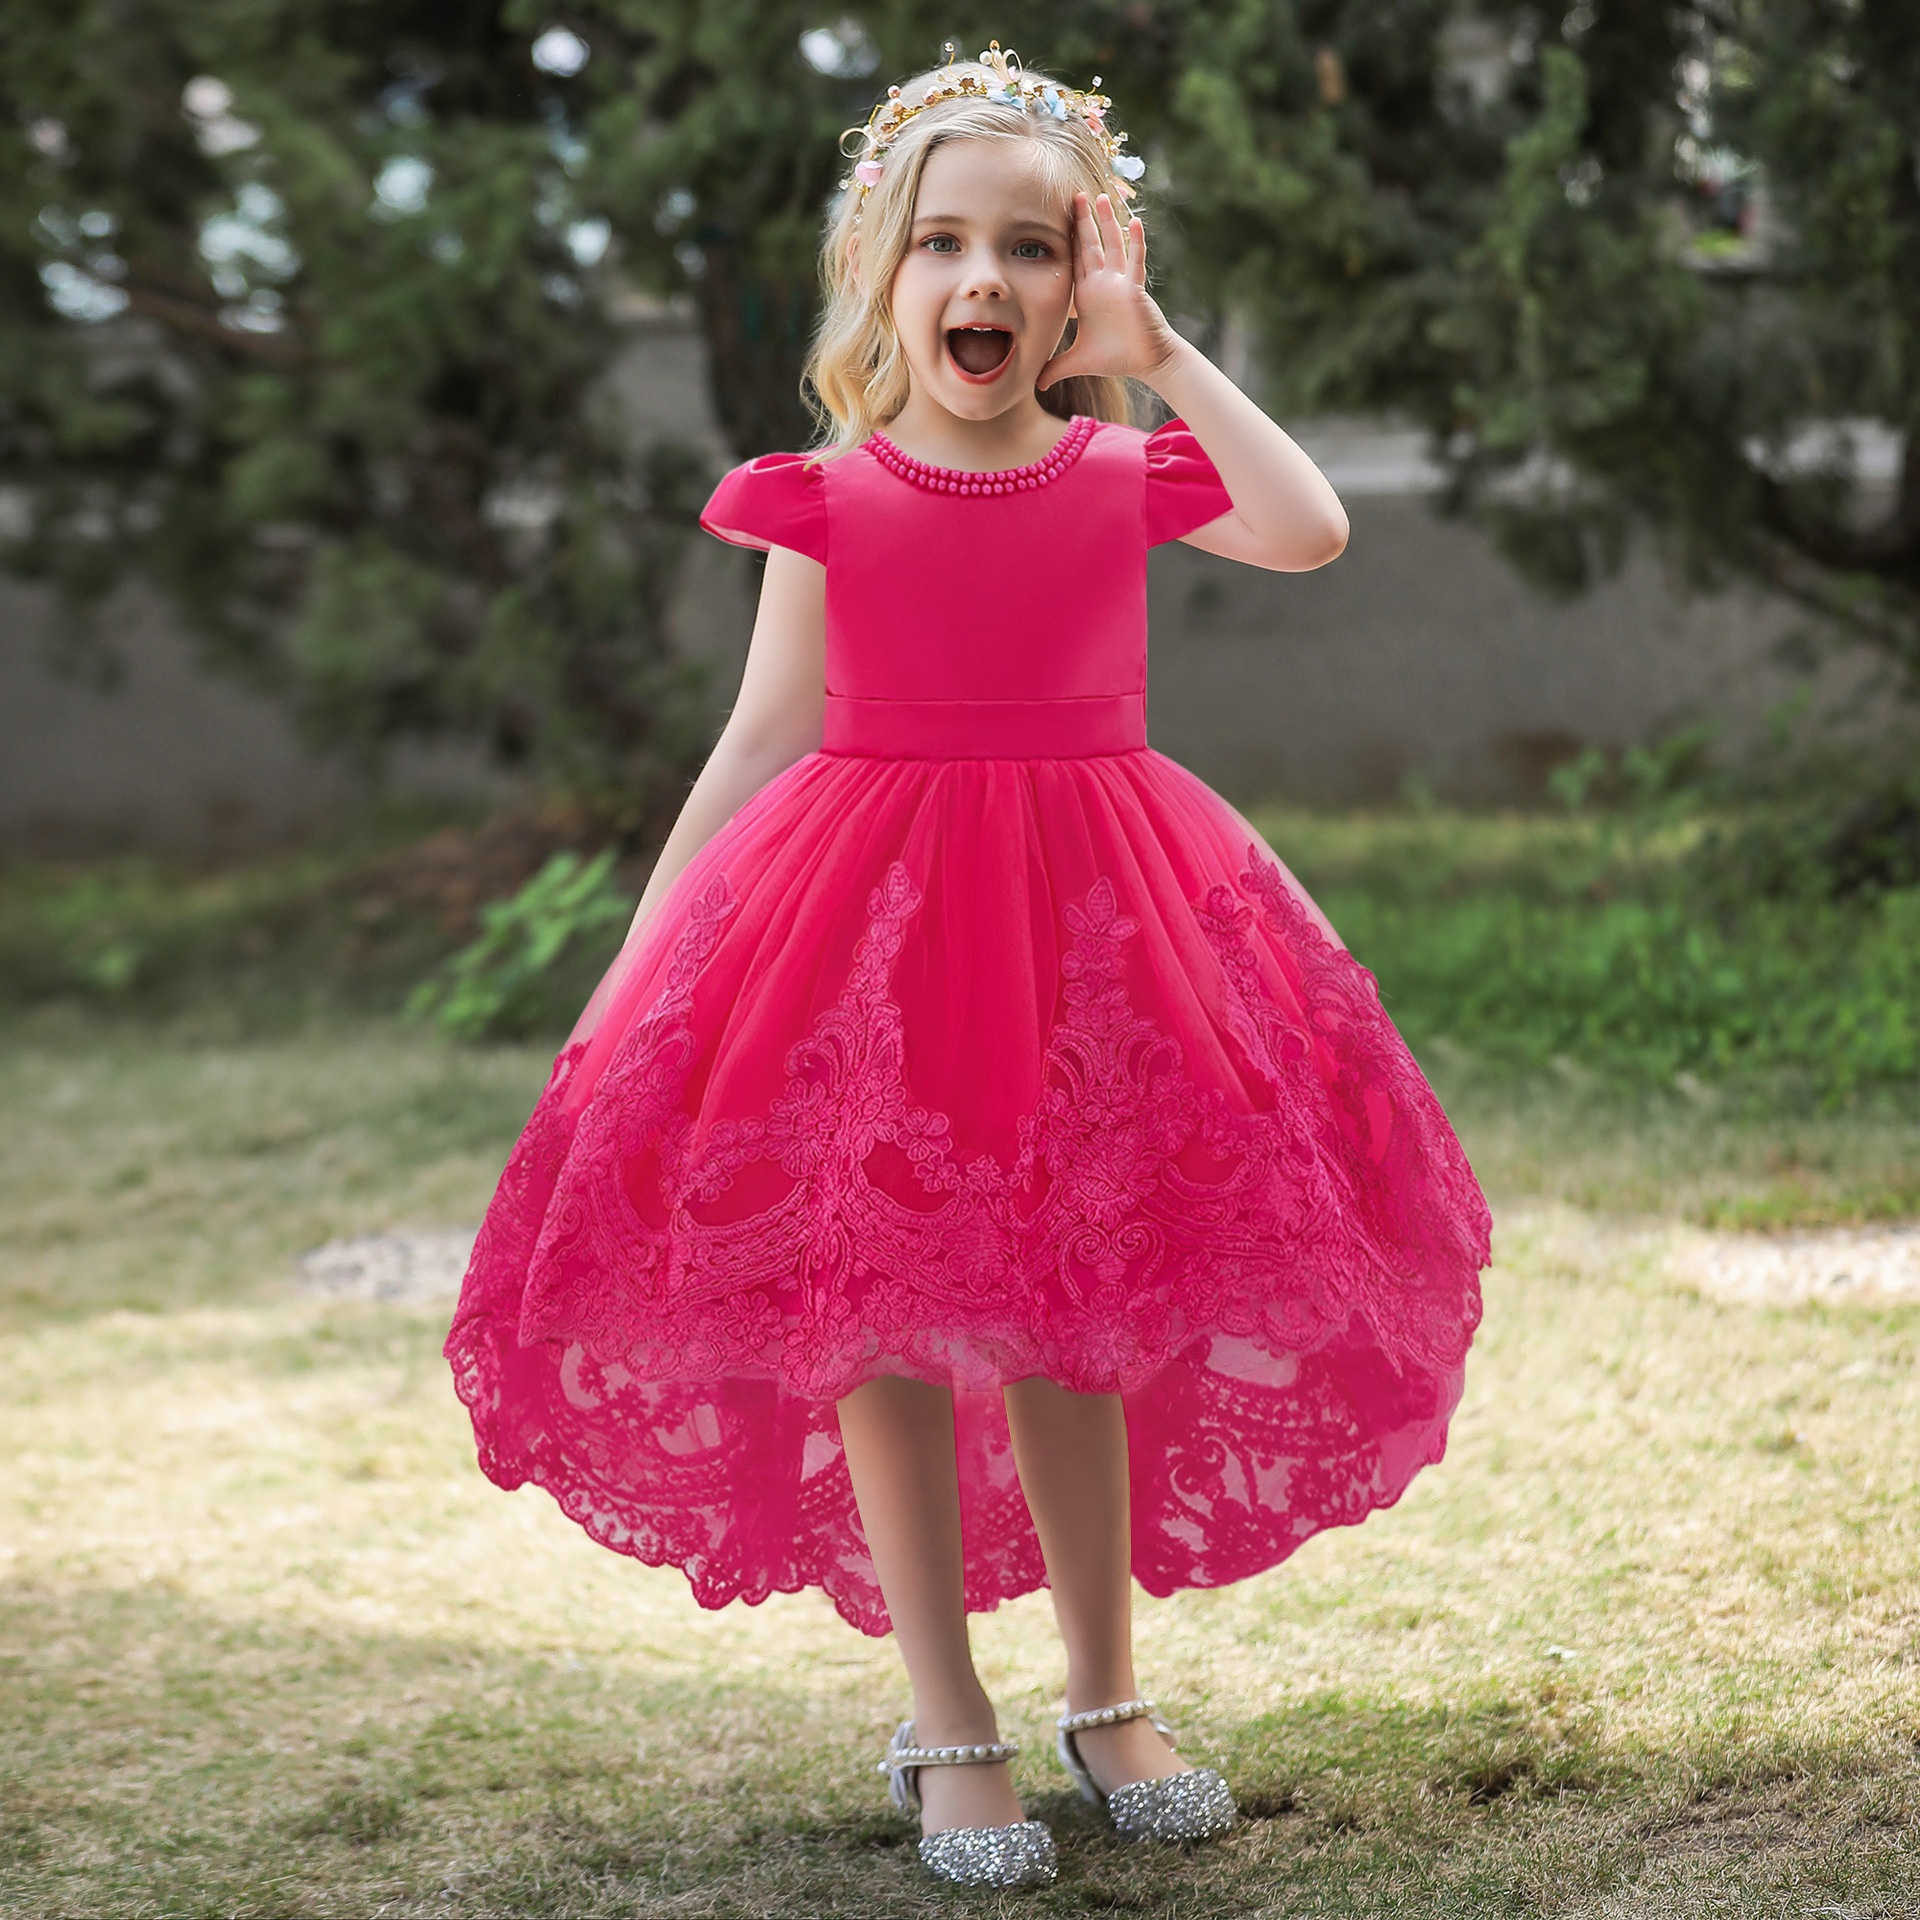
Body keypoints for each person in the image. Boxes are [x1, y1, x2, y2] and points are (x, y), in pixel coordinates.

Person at [444, 40, 1491, 1892]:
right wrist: (644, 958)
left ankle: (1107, 1694)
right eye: (941, 243)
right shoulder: (827, 498)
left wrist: (1161, 349)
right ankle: (947, 1715)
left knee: (1079, 1309)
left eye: (1029, 246)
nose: (982, 279)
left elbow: (1311, 528)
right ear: (882, 271)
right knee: (882, 1312)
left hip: (1093, 938)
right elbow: (764, 738)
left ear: (1080, 279)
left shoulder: (1119, 466)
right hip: (864, 947)